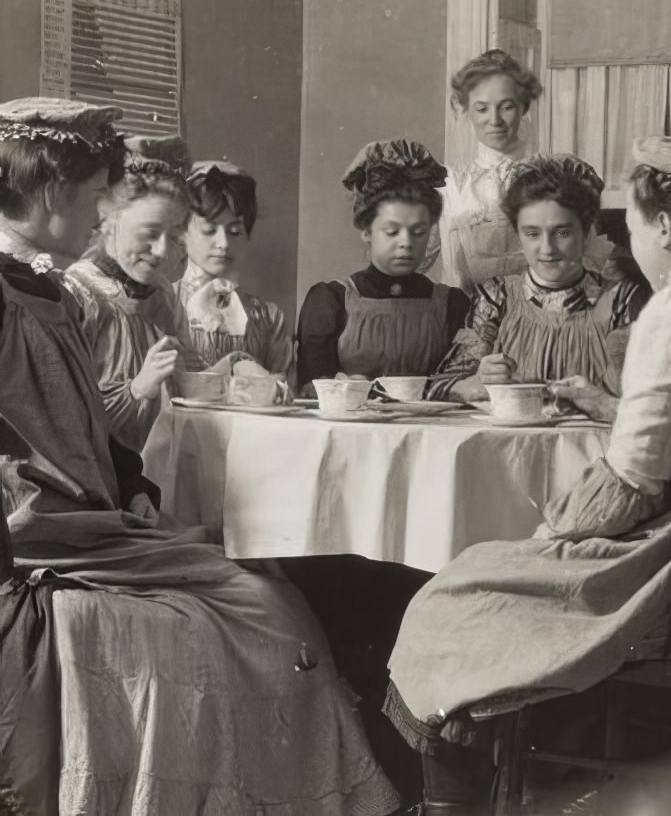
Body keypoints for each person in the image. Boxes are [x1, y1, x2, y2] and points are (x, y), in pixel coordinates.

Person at [0, 98, 397, 814]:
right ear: (53, 189)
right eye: (94, 197)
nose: (96, 217)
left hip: (90, 516)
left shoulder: (38, 286)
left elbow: (75, 416)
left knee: (272, 587)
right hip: (43, 531)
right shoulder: (12, 292)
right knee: (263, 608)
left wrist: (129, 481)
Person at [384, 138, 671, 810]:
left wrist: (557, 530)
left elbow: (632, 482)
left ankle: (461, 803)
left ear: (663, 224)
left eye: (628, 222)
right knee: (482, 578)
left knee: (447, 596)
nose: (626, 238)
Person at [427, 153, 650, 403]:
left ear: (586, 232)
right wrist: (477, 382)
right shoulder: (496, 298)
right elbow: (438, 389)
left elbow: (649, 400)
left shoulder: (621, 301)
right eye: (532, 233)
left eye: (562, 232)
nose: (547, 248)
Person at [428, 49, 615, 294]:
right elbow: (409, 260)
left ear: (523, 106)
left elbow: (589, 260)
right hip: (464, 325)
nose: (494, 120)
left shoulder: (554, 178)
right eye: (482, 109)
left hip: (537, 325)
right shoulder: (447, 186)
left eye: (506, 106)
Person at [62, 134, 202, 452]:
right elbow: (65, 424)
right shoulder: (79, 293)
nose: (162, 251)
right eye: (149, 233)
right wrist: (138, 388)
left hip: (160, 467)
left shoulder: (163, 295)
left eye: (175, 235)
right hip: (103, 481)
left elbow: (190, 377)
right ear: (110, 221)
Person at [296, 139, 470, 392]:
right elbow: (313, 392)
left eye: (419, 232)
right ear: (367, 231)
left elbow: (459, 387)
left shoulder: (452, 304)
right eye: (392, 231)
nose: (406, 243)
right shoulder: (330, 302)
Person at [176, 160, 294, 376]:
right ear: (182, 232)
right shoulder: (160, 306)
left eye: (235, 232)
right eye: (210, 229)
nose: (224, 243)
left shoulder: (268, 318)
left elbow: (283, 396)